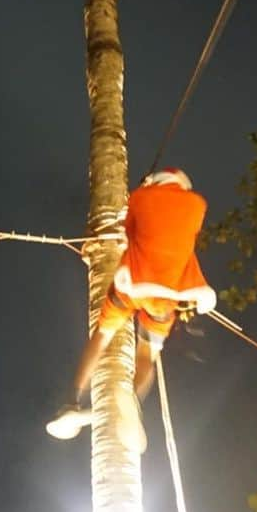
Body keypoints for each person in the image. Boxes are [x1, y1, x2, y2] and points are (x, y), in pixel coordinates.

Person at [46, 168, 216, 451]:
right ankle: (133, 403)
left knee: (102, 337)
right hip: (165, 298)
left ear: (154, 181)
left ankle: (72, 399)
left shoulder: (139, 197)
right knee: (146, 354)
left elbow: (129, 232)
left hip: (130, 287)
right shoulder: (198, 206)